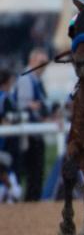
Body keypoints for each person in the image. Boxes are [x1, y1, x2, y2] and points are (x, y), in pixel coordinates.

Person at [13, 48, 51, 201]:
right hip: (27, 135)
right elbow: (25, 106)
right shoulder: (26, 78)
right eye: (41, 62)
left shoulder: (36, 80)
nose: (44, 66)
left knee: (36, 174)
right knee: (31, 173)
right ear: (32, 61)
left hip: (34, 132)